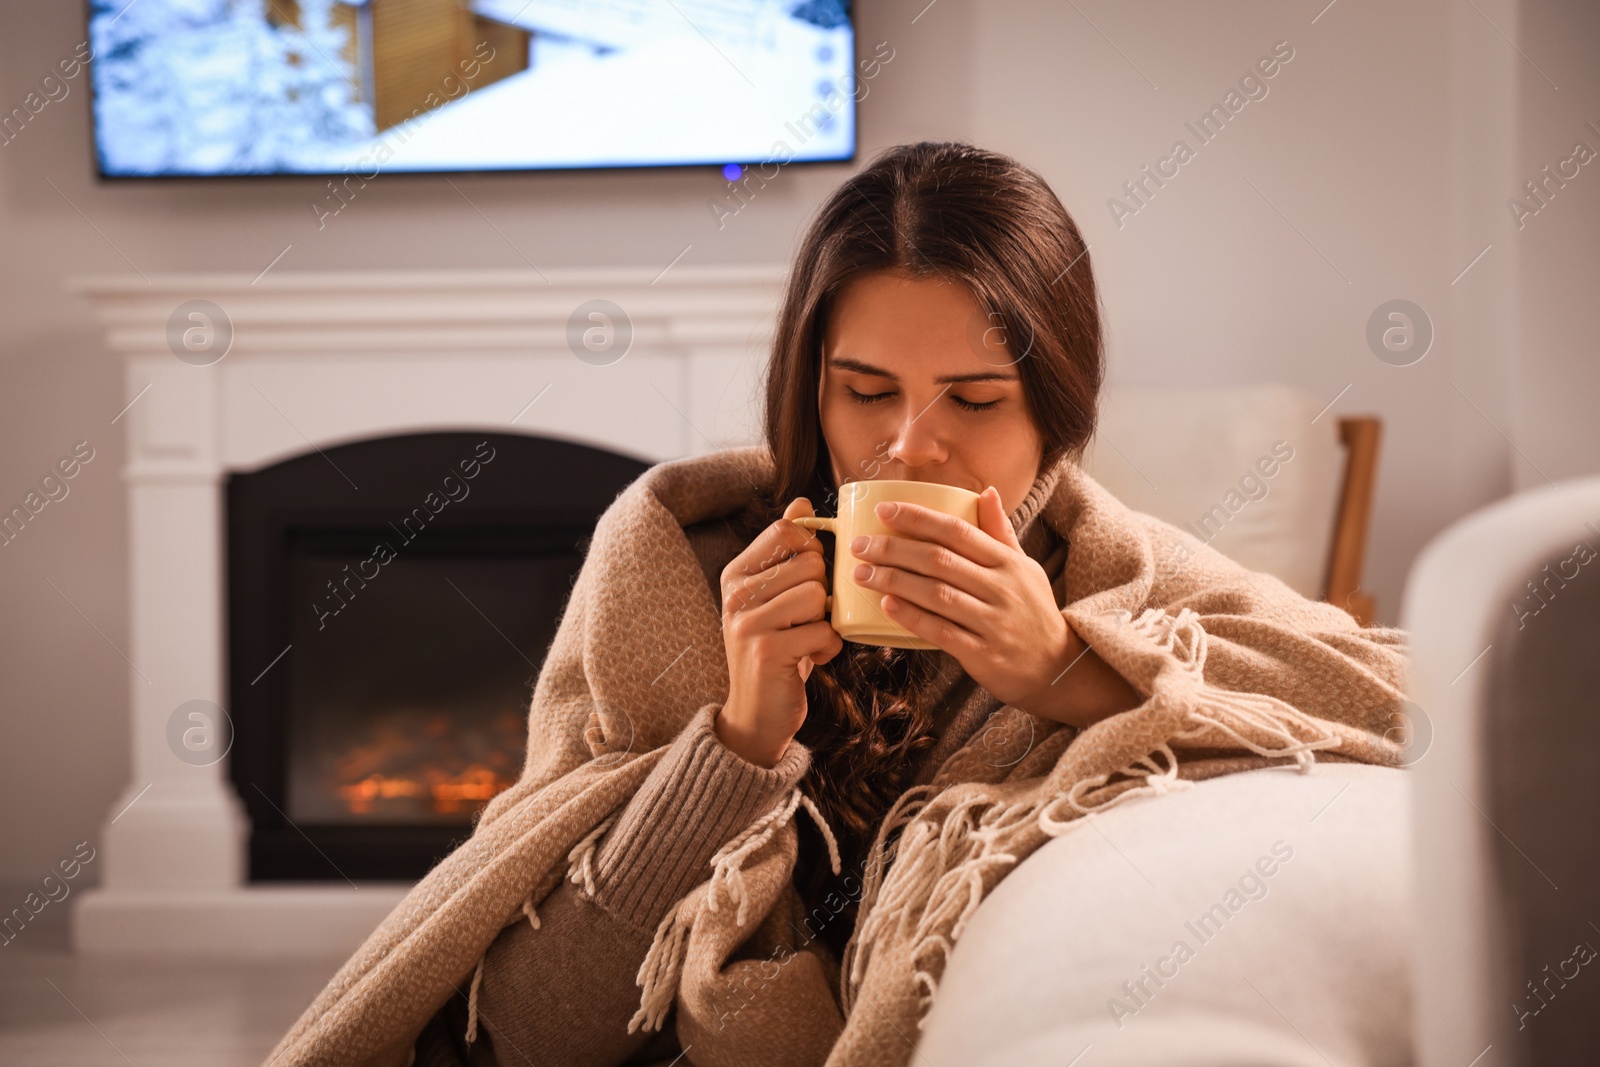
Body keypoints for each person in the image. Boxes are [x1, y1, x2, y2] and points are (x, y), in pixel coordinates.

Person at [272, 141, 1406, 1067]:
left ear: (1053, 411)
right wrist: (735, 743)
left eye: (973, 397)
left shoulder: (1108, 577)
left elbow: (1404, 694)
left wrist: (1061, 669)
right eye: (866, 392)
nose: (909, 445)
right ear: (808, 391)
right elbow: (523, 1034)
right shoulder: (673, 563)